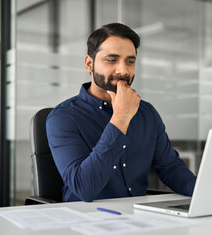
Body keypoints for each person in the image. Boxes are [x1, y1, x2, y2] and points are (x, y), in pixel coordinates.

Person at [46, 23, 196, 202]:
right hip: (86, 218)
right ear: (89, 64)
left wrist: (208, 193)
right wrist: (121, 117)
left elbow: (171, 168)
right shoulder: (63, 118)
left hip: (138, 217)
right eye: (111, 60)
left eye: (130, 61)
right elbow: (85, 188)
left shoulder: (147, 113)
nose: (123, 70)